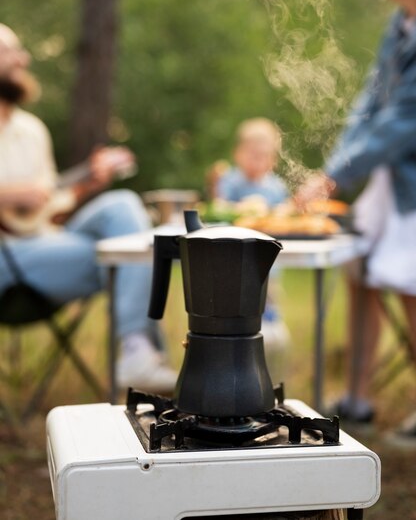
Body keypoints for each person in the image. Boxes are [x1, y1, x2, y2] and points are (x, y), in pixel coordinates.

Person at [295, 0, 416, 443]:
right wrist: (332, 169)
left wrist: (335, 177)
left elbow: (401, 122)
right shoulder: (402, 22)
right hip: (396, 179)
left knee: (413, 288)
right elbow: (370, 104)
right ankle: (358, 396)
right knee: (360, 269)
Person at [0, 24, 177, 394]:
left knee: (123, 206)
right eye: (10, 51)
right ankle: (138, 351)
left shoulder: (31, 130)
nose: (24, 58)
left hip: (42, 243)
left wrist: (86, 185)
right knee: (133, 254)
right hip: (7, 259)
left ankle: (135, 351)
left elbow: (48, 208)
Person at [215, 117, 291, 362]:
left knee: (268, 290)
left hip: (269, 261)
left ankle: (268, 319)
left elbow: (284, 216)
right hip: (235, 259)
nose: (258, 161)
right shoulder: (232, 181)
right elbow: (220, 209)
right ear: (238, 154)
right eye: (253, 155)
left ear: (273, 160)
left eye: (264, 156)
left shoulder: (276, 187)